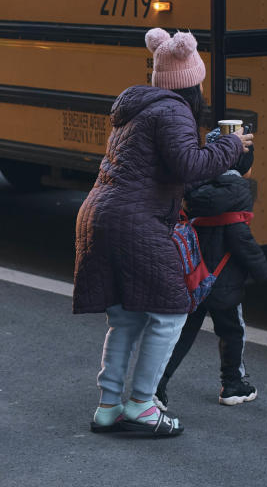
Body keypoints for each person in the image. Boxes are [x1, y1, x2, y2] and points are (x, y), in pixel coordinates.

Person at [73, 28, 253, 436]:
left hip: (101, 215)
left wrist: (215, 150)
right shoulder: (173, 111)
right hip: (136, 221)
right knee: (172, 313)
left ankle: (108, 407)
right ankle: (141, 405)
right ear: (193, 84)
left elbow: (173, 167)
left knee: (126, 319)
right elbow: (189, 167)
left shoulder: (141, 108)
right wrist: (231, 146)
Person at [155, 128, 267, 410]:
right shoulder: (238, 192)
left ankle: (156, 386)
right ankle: (233, 384)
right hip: (224, 281)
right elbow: (240, 238)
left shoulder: (194, 190)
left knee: (181, 334)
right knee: (232, 331)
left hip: (195, 277)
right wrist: (262, 270)